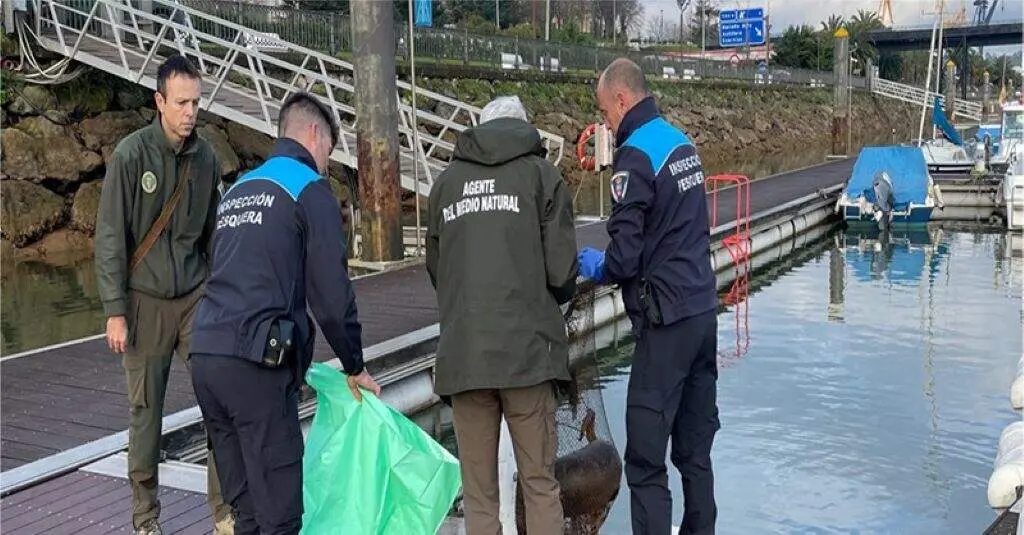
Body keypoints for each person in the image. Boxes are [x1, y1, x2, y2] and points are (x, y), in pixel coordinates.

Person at [187, 91, 380, 535]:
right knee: (280, 516)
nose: (327, 164)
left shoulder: (239, 189)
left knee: (247, 514)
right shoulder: (309, 189)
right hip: (256, 365)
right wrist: (354, 365)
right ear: (314, 134)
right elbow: (331, 296)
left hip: (206, 356)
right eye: (329, 150)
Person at [577, 58, 720, 535]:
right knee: (695, 453)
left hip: (666, 326)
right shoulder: (682, 144)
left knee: (644, 460)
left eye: (605, 112)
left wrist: (594, 265)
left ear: (622, 100)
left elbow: (623, 258)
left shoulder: (634, 156)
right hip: (703, 314)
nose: (606, 123)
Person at [425, 95, 578, 534]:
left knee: (479, 495)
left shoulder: (445, 184)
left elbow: (438, 269)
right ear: (523, 127)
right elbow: (562, 272)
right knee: (539, 484)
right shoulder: (542, 176)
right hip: (528, 356)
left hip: (464, 357)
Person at [94, 54, 233, 535]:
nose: (190, 112)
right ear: (159, 101)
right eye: (181, 103)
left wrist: (225, 296)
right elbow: (110, 236)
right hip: (145, 301)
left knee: (219, 398)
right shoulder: (131, 155)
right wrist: (115, 311)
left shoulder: (206, 158)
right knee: (146, 414)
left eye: (196, 102)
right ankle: (145, 517)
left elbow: (215, 236)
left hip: (196, 298)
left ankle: (224, 511)